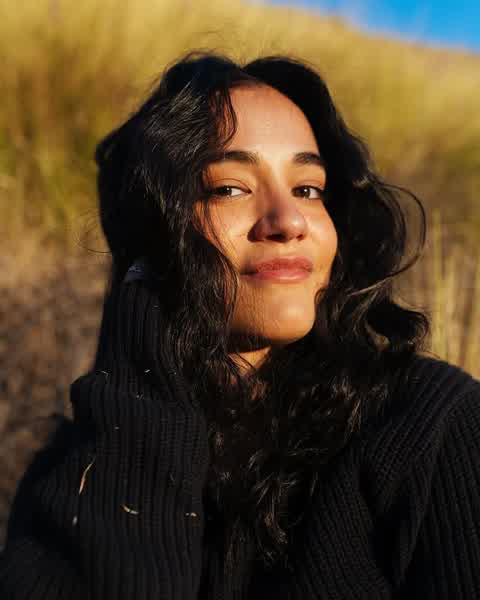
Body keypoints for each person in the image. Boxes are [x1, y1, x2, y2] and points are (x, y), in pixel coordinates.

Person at [1, 50, 479, 599]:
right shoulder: (71, 476)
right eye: (229, 188)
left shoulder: (434, 431)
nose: (289, 221)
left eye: (308, 189)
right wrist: (138, 400)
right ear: (156, 233)